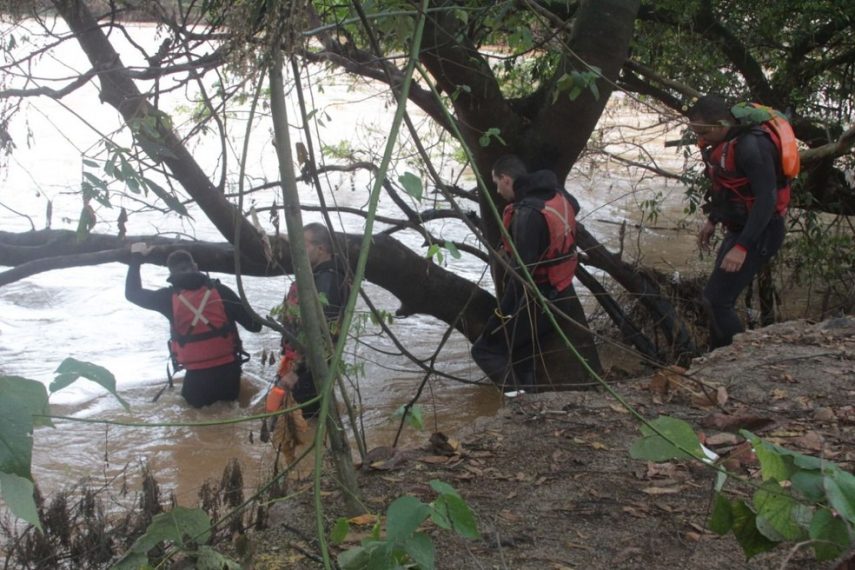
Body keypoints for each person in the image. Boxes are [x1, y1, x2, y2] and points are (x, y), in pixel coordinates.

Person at [471, 155, 581, 392]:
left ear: (506, 179)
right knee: (521, 350)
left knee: (484, 350)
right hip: (562, 293)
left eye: (496, 184)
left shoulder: (527, 214)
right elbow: (576, 208)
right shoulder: (558, 194)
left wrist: (501, 315)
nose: (498, 191)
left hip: (541, 302)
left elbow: (523, 277)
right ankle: (529, 397)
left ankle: (518, 402)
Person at [688, 95, 789, 348]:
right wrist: (713, 219)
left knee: (717, 300)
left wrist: (742, 247)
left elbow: (766, 200)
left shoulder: (752, 148)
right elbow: (728, 188)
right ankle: (717, 354)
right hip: (739, 228)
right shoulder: (724, 143)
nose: (700, 138)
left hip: (761, 231)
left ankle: (734, 357)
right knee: (714, 299)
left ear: (722, 123)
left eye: (703, 132)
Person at [125, 246, 262, 407]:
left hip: (195, 379)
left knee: (199, 422)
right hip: (229, 375)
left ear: (171, 274)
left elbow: (132, 293)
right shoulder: (222, 292)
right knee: (229, 411)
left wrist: (136, 258)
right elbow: (255, 326)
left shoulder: (167, 298)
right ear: (195, 267)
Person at [275, 223, 350, 417]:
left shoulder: (328, 282)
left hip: (309, 372)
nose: (297, 252)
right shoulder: (318, 274)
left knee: (298, 426)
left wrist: (296, 372)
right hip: (303, 366)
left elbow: (321, 336)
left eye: (303, 246)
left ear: (321, 249)